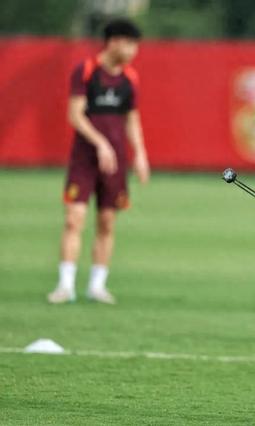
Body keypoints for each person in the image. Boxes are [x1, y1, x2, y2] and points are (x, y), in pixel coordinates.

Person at [47, 18, 149, 305]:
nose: (133, 51)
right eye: (129, 44)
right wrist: (100, 143)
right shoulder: (87, 71)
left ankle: (97, 286)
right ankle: (65, 285)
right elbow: (75, 114)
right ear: (113, 42)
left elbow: (132, 119)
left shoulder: (129, 78)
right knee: (74, 219)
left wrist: (140, 153)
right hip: (84, 159)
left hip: (115, 163)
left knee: (106, 222)